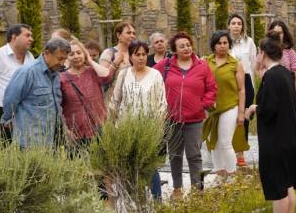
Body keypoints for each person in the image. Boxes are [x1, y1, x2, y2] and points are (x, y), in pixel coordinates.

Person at [246, 38, 296, 213]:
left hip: (275, 139)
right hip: (289, 136)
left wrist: (254, 108)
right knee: (287, 184)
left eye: (258, 52)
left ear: (263, 53)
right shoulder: (285, 73)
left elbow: (269, 108)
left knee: (277, 185)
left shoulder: (271, 77)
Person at [157, 32, 218, 197]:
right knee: (175, 155)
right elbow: (150, 77)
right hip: (171, 120)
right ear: (175, 50)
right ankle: (177, 188)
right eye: (182, 46)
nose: (186, 48)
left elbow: (212, 88)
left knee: (194, 155)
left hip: (195, 119)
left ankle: (198, 190)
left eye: (188, 45)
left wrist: (202, 105)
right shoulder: (166, 65)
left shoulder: (202, 66)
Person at [111, 40, 168, 201]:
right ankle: (136, 201)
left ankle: (157, 202)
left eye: (144, 54)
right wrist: (111, 126)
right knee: (130, 167)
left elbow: (162, 104)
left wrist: (157, 129)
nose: (141, 58)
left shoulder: (155, 75)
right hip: (125, 129)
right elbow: (115, 101)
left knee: (150, 166)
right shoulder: (124, 75)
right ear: (131, 56)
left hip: (148, 130)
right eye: (137, 54)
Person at [2, 37, 71, 149]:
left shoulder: (56, 74)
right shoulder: (28, 72)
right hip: (29, 142)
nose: (63, 63)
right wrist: (7, 121)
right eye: (60, 58)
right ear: (47, 53)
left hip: (51, 140)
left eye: (65, 59)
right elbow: (10, 99)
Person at [201, 31, 248, 178]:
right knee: (213, 143)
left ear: (229, 44)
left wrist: (241, 113)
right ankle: (221, 176)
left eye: (225, 43)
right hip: (211, 109)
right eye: (219, 43)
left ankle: (232, 177)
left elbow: (241, 90)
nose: (222, 46)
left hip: (230, 107)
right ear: (213, 46)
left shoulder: (236, 64)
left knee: (225, 142)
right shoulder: (205, 62)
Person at [60, 38, 113, 152]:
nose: (76, 56)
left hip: (99, 130)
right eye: (71, 54)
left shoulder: (93, 71)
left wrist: (90, 60)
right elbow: (57, 107)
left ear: (84, 54)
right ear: (67, 57)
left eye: (79, 53)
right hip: (75, 134)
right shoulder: (62, 78)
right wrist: (66, 131)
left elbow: (107, 76)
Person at [228, 14, 257, 168]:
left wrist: (252, 85)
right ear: (229, 26)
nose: (236, 26)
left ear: (243, 26)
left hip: (246, 82)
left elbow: (253, 64)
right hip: (229, 82)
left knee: (243, 118)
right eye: (233, 23)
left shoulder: (249, 42)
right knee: (228, 117)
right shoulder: (224, 42)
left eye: (239, 23)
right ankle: (228, 152)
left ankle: (240, 153)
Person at [261, 20, 296, 103]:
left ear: (284, 34)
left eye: (280, 33)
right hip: (270, 92)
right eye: (275, 33)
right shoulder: (265, 52)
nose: (278, 35)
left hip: (287, 92)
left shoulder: (290, 53)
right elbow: (260, 71)